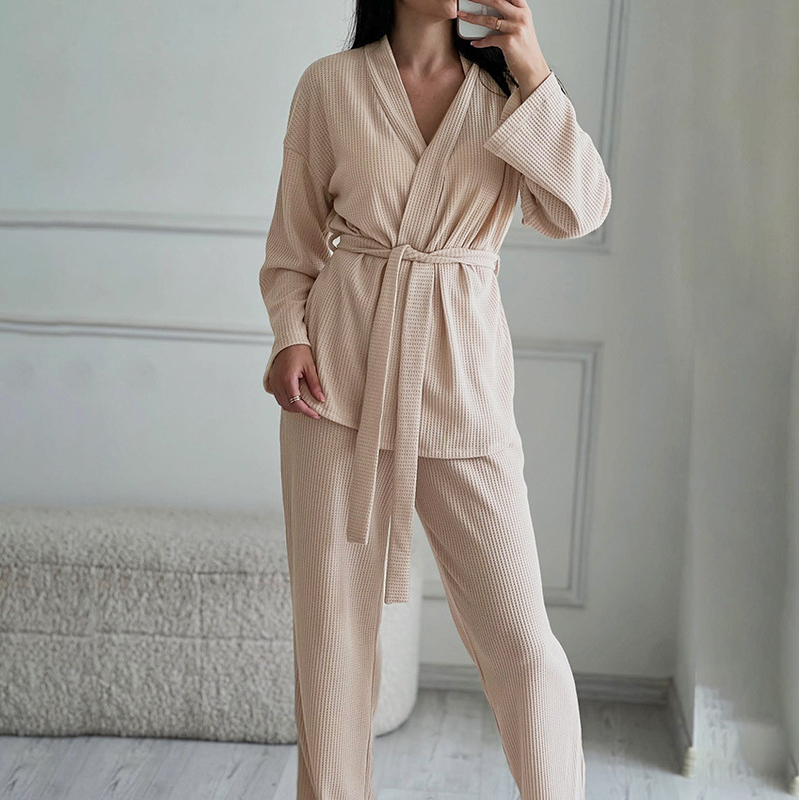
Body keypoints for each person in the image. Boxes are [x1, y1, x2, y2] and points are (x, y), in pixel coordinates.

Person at [259, 0, 611, 796]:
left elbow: (581, 208)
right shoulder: (330, 85)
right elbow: (293, 245)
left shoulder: (507, 95)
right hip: (336, 386)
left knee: (521, 643)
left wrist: (533, 68)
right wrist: (290, 336)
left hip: (462, 385)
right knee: (333, 645)